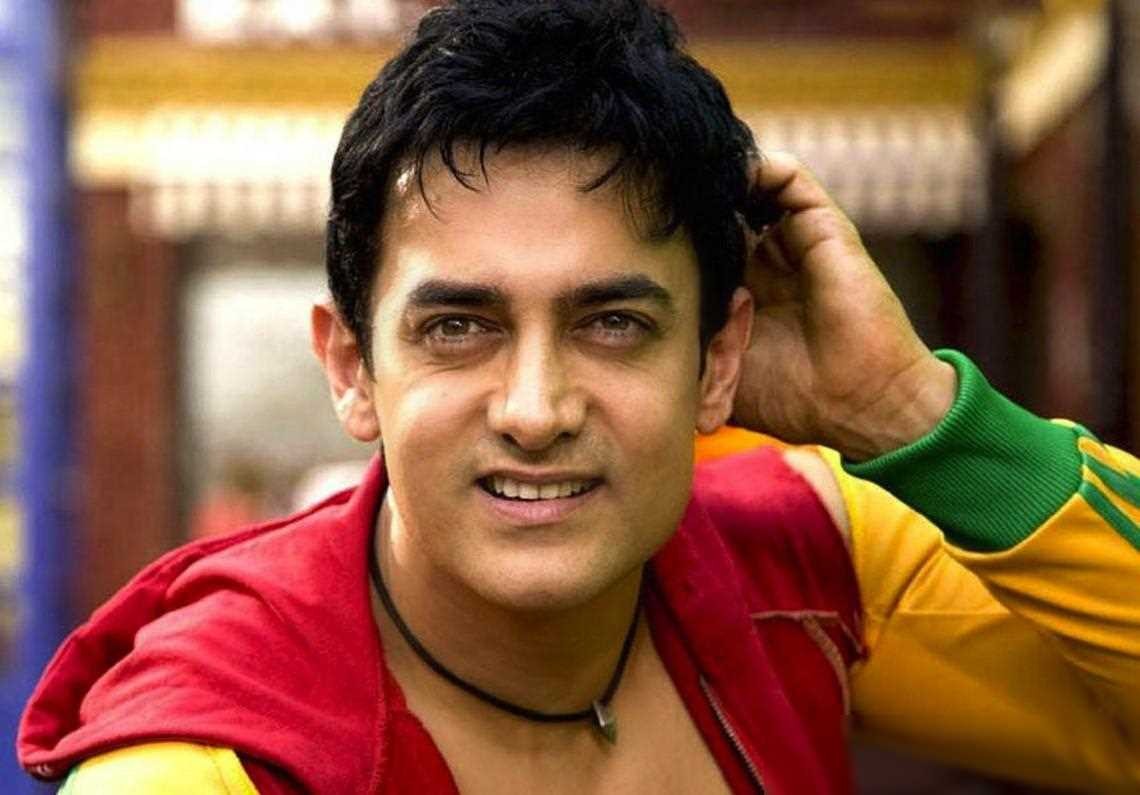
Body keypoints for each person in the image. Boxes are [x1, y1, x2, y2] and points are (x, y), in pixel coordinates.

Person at [19, 1, 1140, 793]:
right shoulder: (208, 766)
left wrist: (909, 414)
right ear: (352, 369)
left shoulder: (804, 561)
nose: (536, 409)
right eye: (459, 328)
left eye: (613, 323)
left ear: (717, 360)